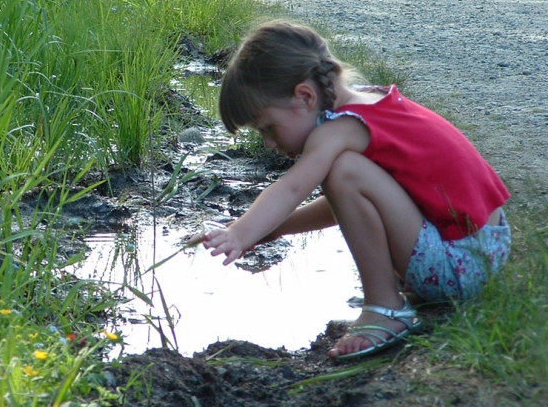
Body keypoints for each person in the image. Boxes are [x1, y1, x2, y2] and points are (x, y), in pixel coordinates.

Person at [202, 21, 511, 360]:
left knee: (344, 170)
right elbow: (350, 202)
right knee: (345, 173)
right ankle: (390, 301)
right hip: (484, 246)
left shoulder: (338, 130)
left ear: (304, 96)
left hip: (460, 264)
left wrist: (241, 233)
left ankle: (385, 308)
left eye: (268, 128)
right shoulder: (367, 102)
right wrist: (274, 228)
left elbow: (291, 188)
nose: (269, 143)